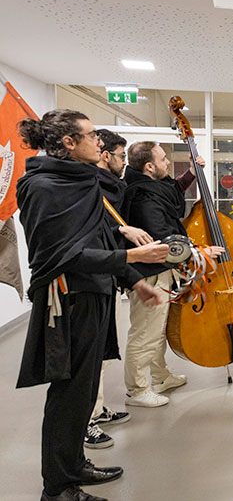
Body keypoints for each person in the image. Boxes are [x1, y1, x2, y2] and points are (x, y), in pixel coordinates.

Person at [15, 110, 168, 501]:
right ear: (69, 142)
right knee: (68, 394)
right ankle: (58, 488)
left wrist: (135, 281)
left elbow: (100, 239)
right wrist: (134, 258)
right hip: (68, 298)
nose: (99, 142)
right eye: (91, 135)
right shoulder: (43, 186)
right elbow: (60, 257)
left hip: (95, 292)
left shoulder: (82, 181)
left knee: (84, 391)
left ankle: (74, 464)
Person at [121, 141, 222, 406]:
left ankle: (160, 377)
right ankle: (137, 390)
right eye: (163, 159)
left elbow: (172, 192)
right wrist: (199, 252)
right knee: (145, 333)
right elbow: (163, 238)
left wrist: (191, 173)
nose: (168, 163)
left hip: (160, 270)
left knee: (157, 331)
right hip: (149, 273)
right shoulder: (142, 197)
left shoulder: (151, 186)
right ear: (149, 166)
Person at [81, 129, 150, 449]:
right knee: (88, 358)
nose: (125, 162)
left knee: (102, 353)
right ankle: (85, 421)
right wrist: (122, 231)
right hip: (88, 280)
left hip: (107, 276)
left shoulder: (112, 186)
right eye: (121, 156)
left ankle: (96, 410)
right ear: (105, 155)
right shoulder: (91, 186)